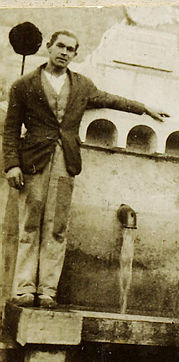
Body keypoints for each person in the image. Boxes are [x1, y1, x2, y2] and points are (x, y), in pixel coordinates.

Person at [3, 30, 168, 308]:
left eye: (70, 49)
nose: (64, 52)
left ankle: (47, 290)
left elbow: (110, 99)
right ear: (49, 47)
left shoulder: (81, 85)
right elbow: (10, 129)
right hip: (33, 161)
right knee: (30, 224)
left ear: (75, 54)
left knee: (57, 227)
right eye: (60, 47)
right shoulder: (24, 85)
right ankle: (24, 287)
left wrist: (144, 107)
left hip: (65, 162)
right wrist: (11, 165)